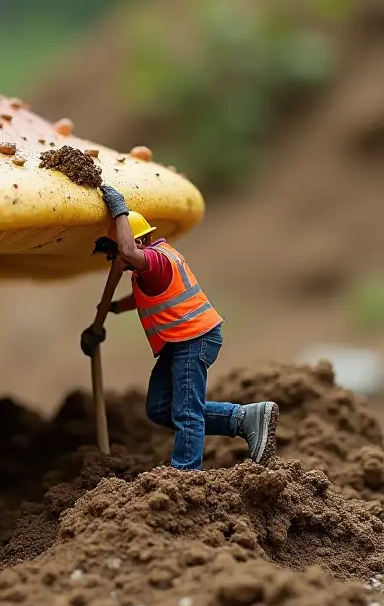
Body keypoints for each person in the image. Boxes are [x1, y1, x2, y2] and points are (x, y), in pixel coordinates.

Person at [80, 184, 278, 470]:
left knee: (187, 413)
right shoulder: (150, 269)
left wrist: (119, 208)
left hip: (193, 338)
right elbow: (144, 298)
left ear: (140, 241)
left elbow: (128, 250)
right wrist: (109, 309)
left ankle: (185, 476)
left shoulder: (156, 261)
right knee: (160, 408)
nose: (117, 261)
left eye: (118, 253)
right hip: (180, 340)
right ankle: (244, 418)